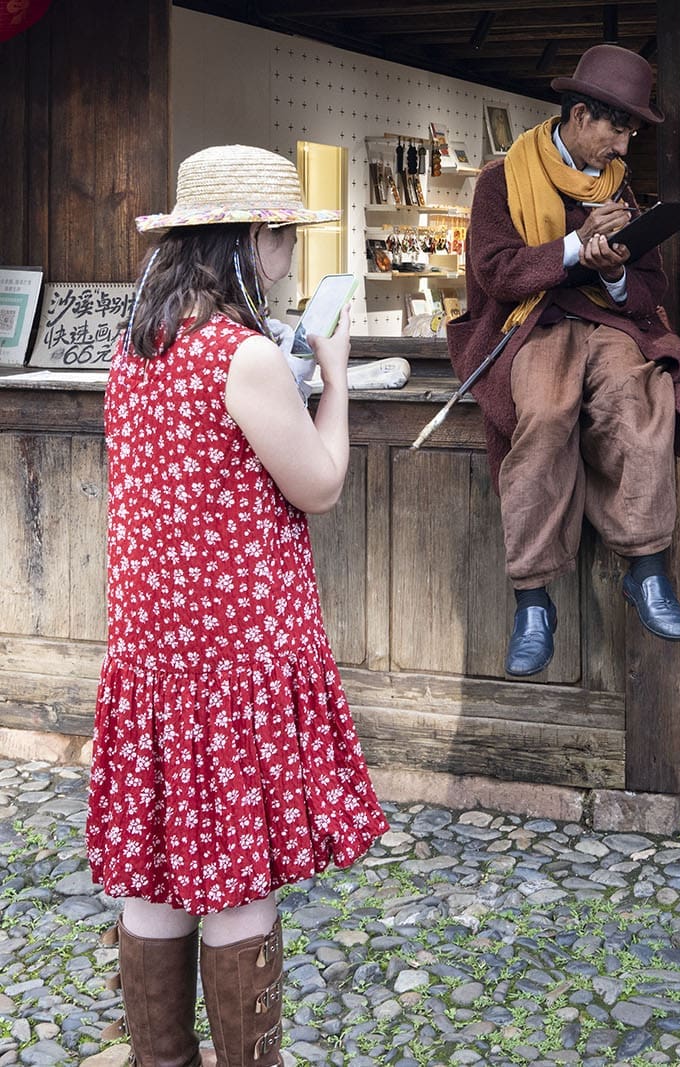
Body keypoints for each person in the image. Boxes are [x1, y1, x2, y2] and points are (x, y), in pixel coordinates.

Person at [91, 144, 388, 1066]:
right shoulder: (244, 354)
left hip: (152, 650)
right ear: (253, 240)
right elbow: (320, 483)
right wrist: (335, 375)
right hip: (236, 655)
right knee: (235, 880)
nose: (289, 257)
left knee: (155, 874)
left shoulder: (136, 349)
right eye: (284, 238)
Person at [449, 43, 680, 678]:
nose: (623, 146)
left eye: (631, 132)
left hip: (608, 321)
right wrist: (574, 247)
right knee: (543, 415)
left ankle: (647, 570)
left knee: (640, 401)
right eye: (618, 129)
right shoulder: (501, 180)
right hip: (535, 321)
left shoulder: (620, 188)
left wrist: (613, 273)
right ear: (580, 115)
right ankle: (532, 600)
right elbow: (496, 272)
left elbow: (651, 283)